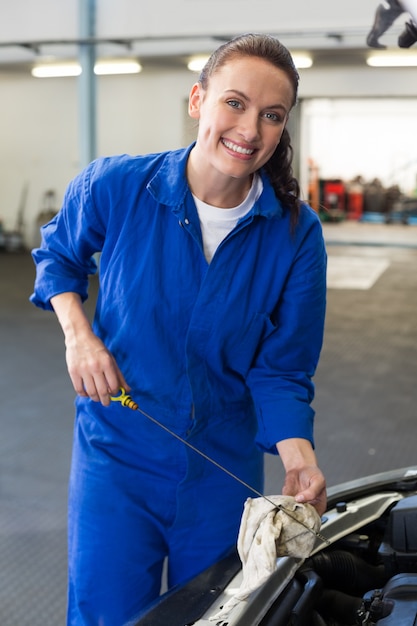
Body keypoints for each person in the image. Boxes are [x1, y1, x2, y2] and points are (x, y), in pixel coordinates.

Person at [31, 33, 327, 626]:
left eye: (273, 116)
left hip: (222, 469)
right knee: (105, 614)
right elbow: (58, 257)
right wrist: (79, 334)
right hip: (117, 459)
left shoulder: (295, 234)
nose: (250, 129)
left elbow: (282, 366)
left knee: (217, 616)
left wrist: (299, 458)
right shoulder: (116, 186)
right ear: (198, 100)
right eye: (234, 103)